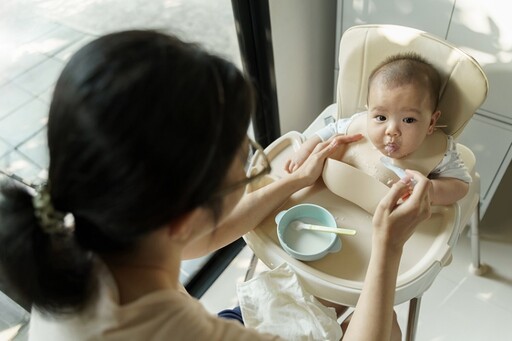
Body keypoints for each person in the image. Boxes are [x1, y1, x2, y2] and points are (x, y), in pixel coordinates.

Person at [0, 30, 432, 341]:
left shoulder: (83, 231)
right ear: (186, 213)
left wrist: (295, 181)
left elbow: (192, 242)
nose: (248, 161)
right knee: (386, 325)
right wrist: (388, 247)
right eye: (241, 155)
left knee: (326, 299)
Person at [285, 53, 471, 205]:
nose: (392, 130)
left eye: (408, 120)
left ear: (431, 123)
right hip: (332, 198)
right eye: (381, 117)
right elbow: (332, 128)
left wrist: (429, 190)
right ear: (368, 111)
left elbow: (461, 185)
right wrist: (305, 150)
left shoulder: (441, 152)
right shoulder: (357, 124)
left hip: (389, 221)